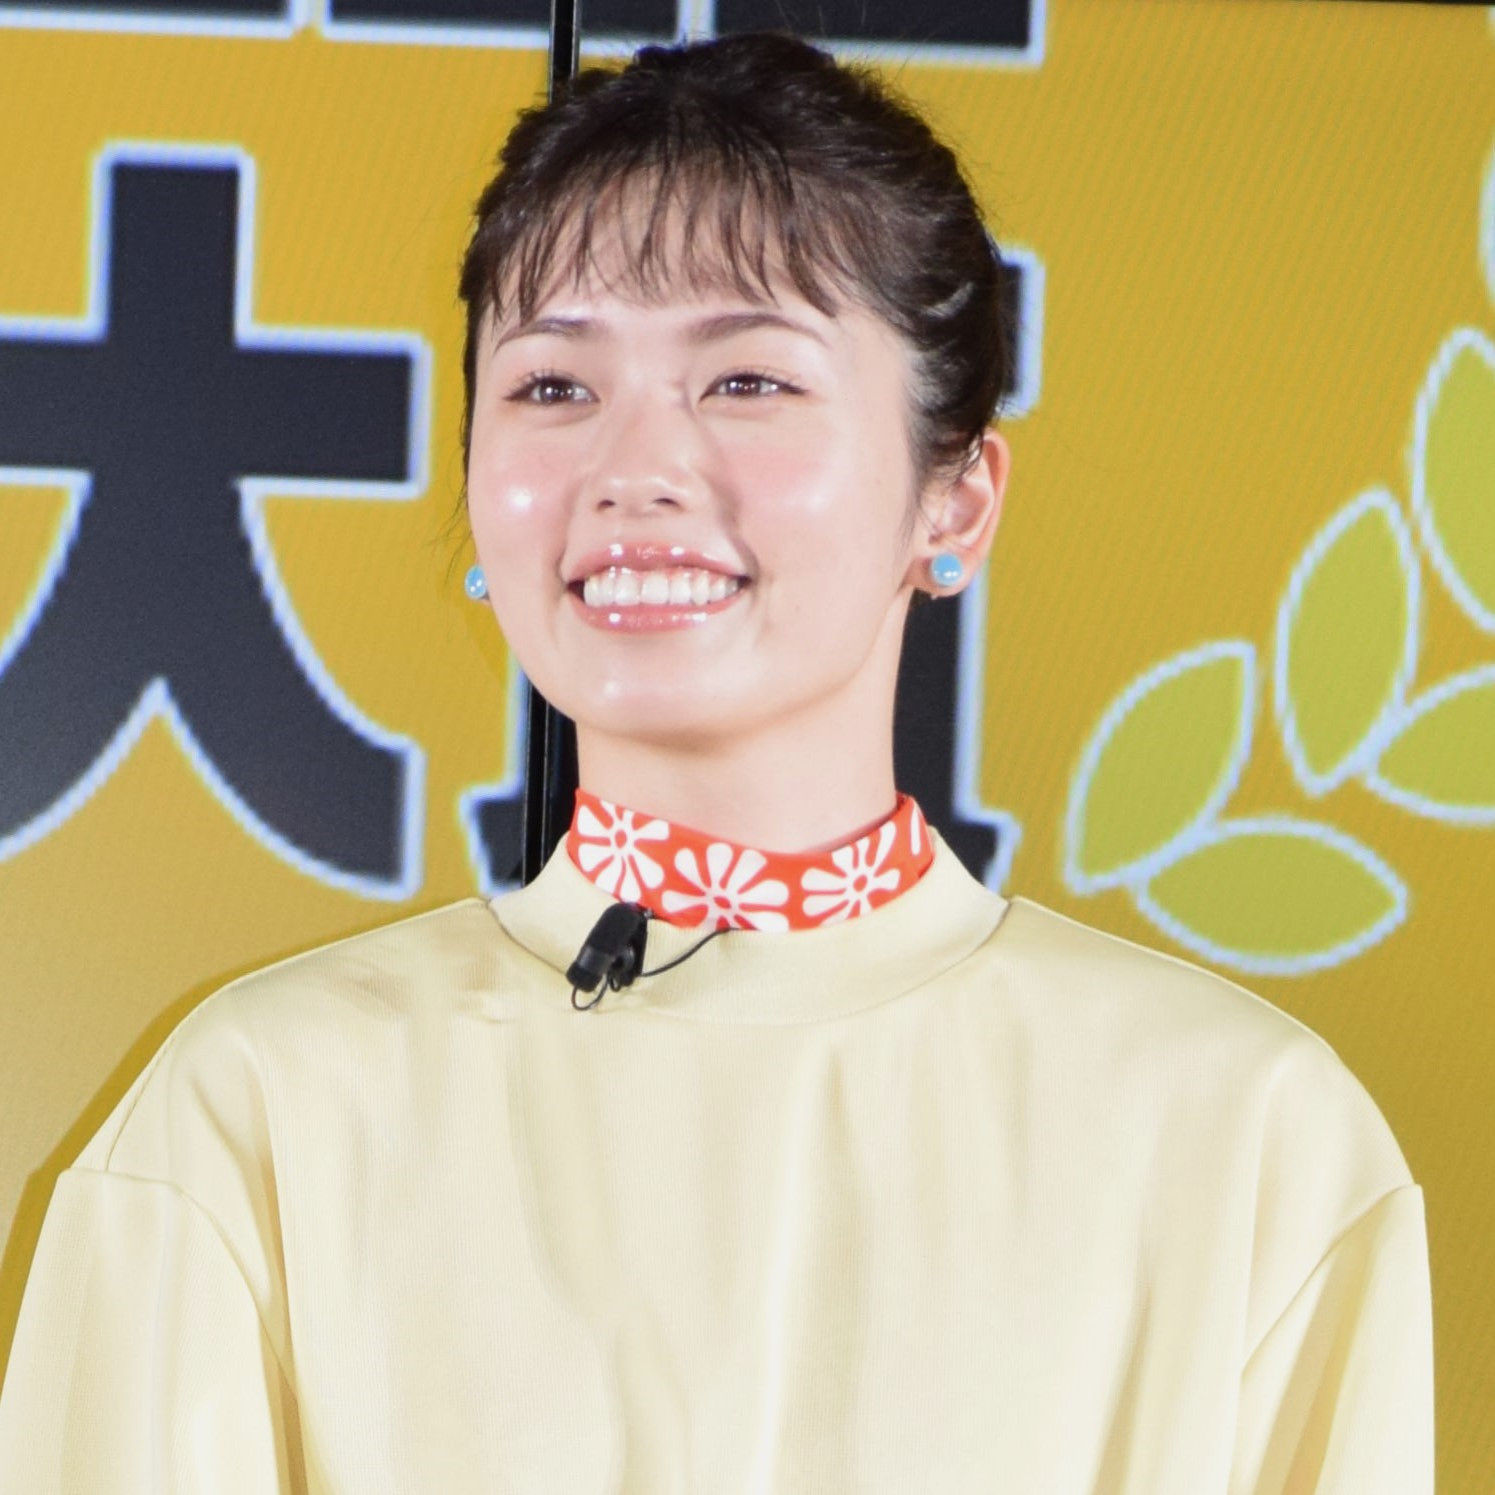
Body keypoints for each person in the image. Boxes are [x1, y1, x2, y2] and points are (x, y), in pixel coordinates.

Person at [0, 32, 1431, 1494]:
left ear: (954, 499)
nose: (635, 469)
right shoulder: (255, 1113)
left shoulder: (1251, 1137)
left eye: (746, 379)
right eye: (554, 387)